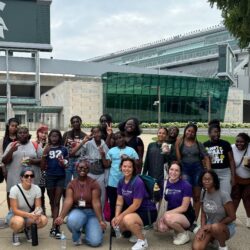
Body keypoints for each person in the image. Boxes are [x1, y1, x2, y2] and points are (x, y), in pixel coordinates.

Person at [55, 159, 106, 247]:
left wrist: (101, 220)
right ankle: (77, 235)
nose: (83, 170)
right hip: (78, 210)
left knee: (95, 242)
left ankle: (87, 229)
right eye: (80, 167)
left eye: (86, 168)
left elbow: (96, 202)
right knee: (72, 221)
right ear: (76, 168)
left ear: (88, 170)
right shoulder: (71, 184)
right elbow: (68, 200)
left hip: (92, 213)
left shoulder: (94, 183)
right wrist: (61, 216)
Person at [112, 158, 157, 250]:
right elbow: (119, 201)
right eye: (124, 166)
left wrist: (121, 216)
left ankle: (142, 241)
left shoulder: (137, 182)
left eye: (129, 167)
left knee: (127, 219)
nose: (127, 169)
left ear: (133, 169)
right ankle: (137, 232)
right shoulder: (121, 181)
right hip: (136, 211)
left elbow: (136, 205)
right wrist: (117, 216)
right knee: (118, 225)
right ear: (121, 167)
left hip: (148, 212)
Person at [176, 123, 210, 230]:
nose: (190, 133)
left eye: (192, 131)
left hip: (197, 170)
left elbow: (206, 158)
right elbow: (178, 159)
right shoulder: (179, 143)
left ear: (195, 133)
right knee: (185, 196)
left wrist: (208, 173)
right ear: (185, 130)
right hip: (185, 169)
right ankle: (186, 218)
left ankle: (194, 220)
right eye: (188, 130)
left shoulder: (199, 144)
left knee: (196, 196)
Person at [192, 170, 236, 250]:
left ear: (215, 181)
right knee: (197, 247)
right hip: (209, 225)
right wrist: (202, 229)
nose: (206, 181)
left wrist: (212, 226)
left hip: (226, 227)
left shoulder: (223, 194)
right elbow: (203, 214)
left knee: (215, 227)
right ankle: (213, 239)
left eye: (209, 179)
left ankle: (222, 246)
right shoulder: (203, 193)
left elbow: (232, 217)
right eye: (204, 179)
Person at [6, 167, 48, 246]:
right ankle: (16, 232)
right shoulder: (14, 189)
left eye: (31, 176)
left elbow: (38, 206)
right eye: (26, 176)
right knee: (19, 222)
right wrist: (30, 215)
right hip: (15, 215)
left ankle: (27, 228)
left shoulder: (37, 189)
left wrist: (37, 213)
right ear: (21, 178)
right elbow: (15, 210)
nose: (29, 178)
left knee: (43, 220)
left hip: (29, 214)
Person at [2, 125, 42, 205]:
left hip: (31, 180)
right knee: (13, 199)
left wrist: (33, 161)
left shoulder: (35, 145)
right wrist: (12, 151)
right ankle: (12, 216)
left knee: (32, 203)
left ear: (28, 134)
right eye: (20, 133)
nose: (22, 134)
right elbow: (4, 161)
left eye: (25, 133)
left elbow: (43, 161)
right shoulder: (11, 145)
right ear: (17, 134)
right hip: (14, 180)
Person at [157, 162, 195, 245]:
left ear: (180, 172)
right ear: (168, 170)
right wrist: (159, 218)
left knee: (168, 218)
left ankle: (184, 234)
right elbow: (161, 201)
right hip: (172, 214)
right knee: (161, 228)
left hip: (186, 215)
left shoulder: (186, 185)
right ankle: (177, 231)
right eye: (171, 169)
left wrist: (165, 214)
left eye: (177, 170)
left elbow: (184, 208)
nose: (173, 172)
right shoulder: (164, 183)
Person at [103, 131, 139, 221]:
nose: (118, 140)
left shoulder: (131, 150)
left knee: (126, 205)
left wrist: (128, 158)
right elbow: (107, 165)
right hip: (113, 183)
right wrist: (103, 156)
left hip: (127, 184)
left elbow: (138, 163)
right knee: (113, 205)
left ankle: (124, 225)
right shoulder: (111, 151)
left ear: (124, 138)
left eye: (120, 137)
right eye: (116, 139)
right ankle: (113, 226)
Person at [41, 129, 68, 239]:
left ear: (59, 137)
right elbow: (42, 167)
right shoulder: (47, 148)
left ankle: (55, 226)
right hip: (50, 177)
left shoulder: (64, 149)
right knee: (52, 202)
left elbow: (66, 165)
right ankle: (55, 222)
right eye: (52, 136)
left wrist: (63, 163)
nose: (54, 138)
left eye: (57, 136)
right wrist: (44, 154)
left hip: (60, 177)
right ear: (49, 137)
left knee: (57, 202)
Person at [77, 126, 109, 209]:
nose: (96, 134)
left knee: (101, 194)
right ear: (92, 134)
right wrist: (84, 142)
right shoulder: (88, 143)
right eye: (94, 132)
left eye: (98, 132)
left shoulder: (104, 144)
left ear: (101, 133)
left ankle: (100, 214)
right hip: (89, 173)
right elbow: (79, 153)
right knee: (85, 193)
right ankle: (83, 210)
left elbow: (107, 160)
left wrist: (102, 155)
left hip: (101, 173)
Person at [203, 122, 236, 194]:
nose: (217, 134)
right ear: (209, 133)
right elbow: (202, 161)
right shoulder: (205, 145)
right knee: (212, 194)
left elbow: (231, 160)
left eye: (218, 132)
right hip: (212, 173)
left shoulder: (225, 144)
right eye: (215, 132)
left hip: (225, 173)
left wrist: (233, 177)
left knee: (226, 195)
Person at [231, 133, 250, 228]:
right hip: (236, 178)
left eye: (242, 142)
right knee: (235, 198)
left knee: (247, 199)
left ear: (247, 142)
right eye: (237, 141)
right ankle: (231, 218)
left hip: (249, 179)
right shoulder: (232, 148)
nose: (239, 143)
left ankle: (249, 220)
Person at [62, 115, 87, 189]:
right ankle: (66, 199)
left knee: (78, 183)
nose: (75, 123)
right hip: (68, 160)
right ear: (71, 124)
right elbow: (62, 147)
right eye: (73, 122)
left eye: (77, 121)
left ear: (80, 122)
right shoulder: (67, 134)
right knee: (66, 184)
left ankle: (76, 199)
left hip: (78, 160)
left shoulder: (84, 136)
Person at [0, 117, 19, 209]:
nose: (14, 128)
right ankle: (11, 211)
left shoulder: (21, 138)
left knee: (18, 189)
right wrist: (3, 168)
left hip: (18, 167)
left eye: (16, 126)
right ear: (8, 126)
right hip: (6, 168)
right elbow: (1, 155)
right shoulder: (3, 140)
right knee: (10, 190)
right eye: (12, 126)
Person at [35, 125, 49, 214]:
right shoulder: (34, 144)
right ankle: (42, 210)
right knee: (40, 192)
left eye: (45, 133)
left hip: (49, 171)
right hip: (39, 172)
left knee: (51, 193)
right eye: (41, 133)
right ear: (37, 133)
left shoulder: (50, 143)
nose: (43, 135)